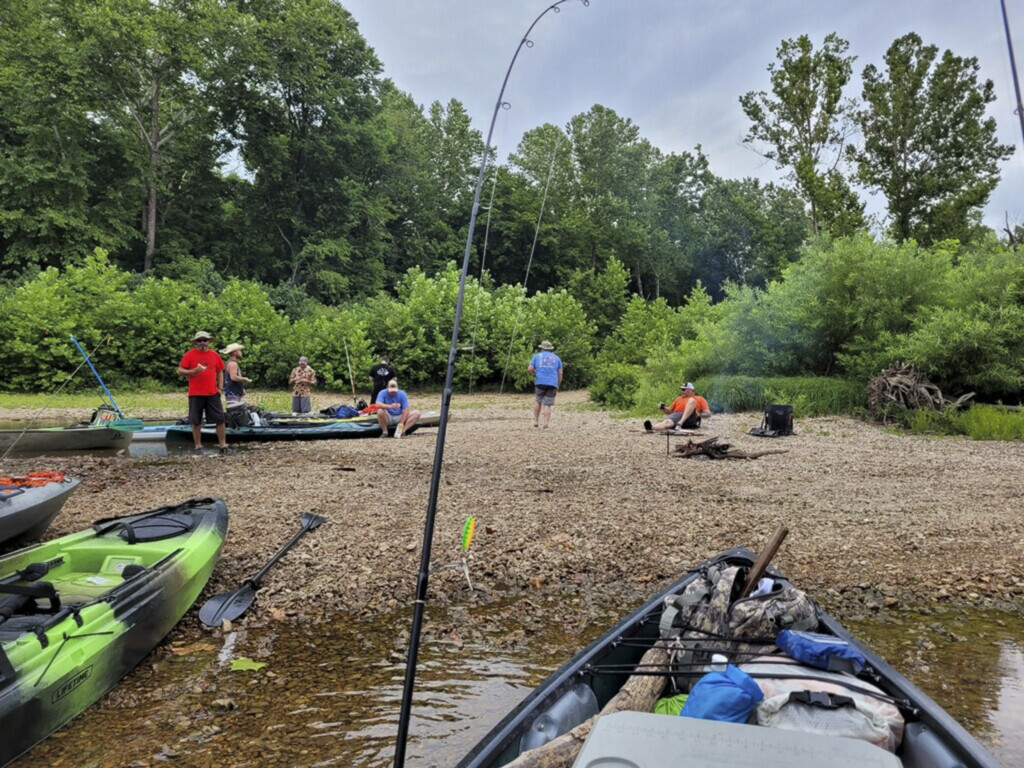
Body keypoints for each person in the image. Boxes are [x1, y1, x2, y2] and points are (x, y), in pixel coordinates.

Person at [177, 331, 233, 454]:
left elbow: (220, 371)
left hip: (212, 393)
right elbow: (180, 370)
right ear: (196, 342)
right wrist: (193, 371)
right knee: (195, 420)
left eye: (204, 340)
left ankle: (223, 446)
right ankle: (198, 446)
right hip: (195, 393)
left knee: (220, 419)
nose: (202, 342)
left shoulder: (214, 355)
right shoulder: (189, 355)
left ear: (208, 342)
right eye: (199, 340)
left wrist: (220, 388)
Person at [645, 382, 711, 432]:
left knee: (692, 400)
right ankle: (652, 428)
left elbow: (708, 413)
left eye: (683, 389)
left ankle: (680, 423)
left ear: (690, 390)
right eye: (681, 389)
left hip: (691, 417)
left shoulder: (699, 399)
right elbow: (669, 411)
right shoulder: (678, 398)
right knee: (667, 422)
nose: (681, 391)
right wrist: (663, 408)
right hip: (678, 416)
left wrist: (699, 415)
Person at [528, 340, 563, 429]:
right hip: (552, 383)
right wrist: (558, 385)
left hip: (540, 381)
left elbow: (530, 368)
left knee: (538, 401)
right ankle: (545, 423)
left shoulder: (536, 356)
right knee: (547, 404)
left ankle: (536, 421)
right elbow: (560, 373)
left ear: (542, 348)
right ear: (550, 349)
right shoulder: (557, 358)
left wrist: (535, 373)